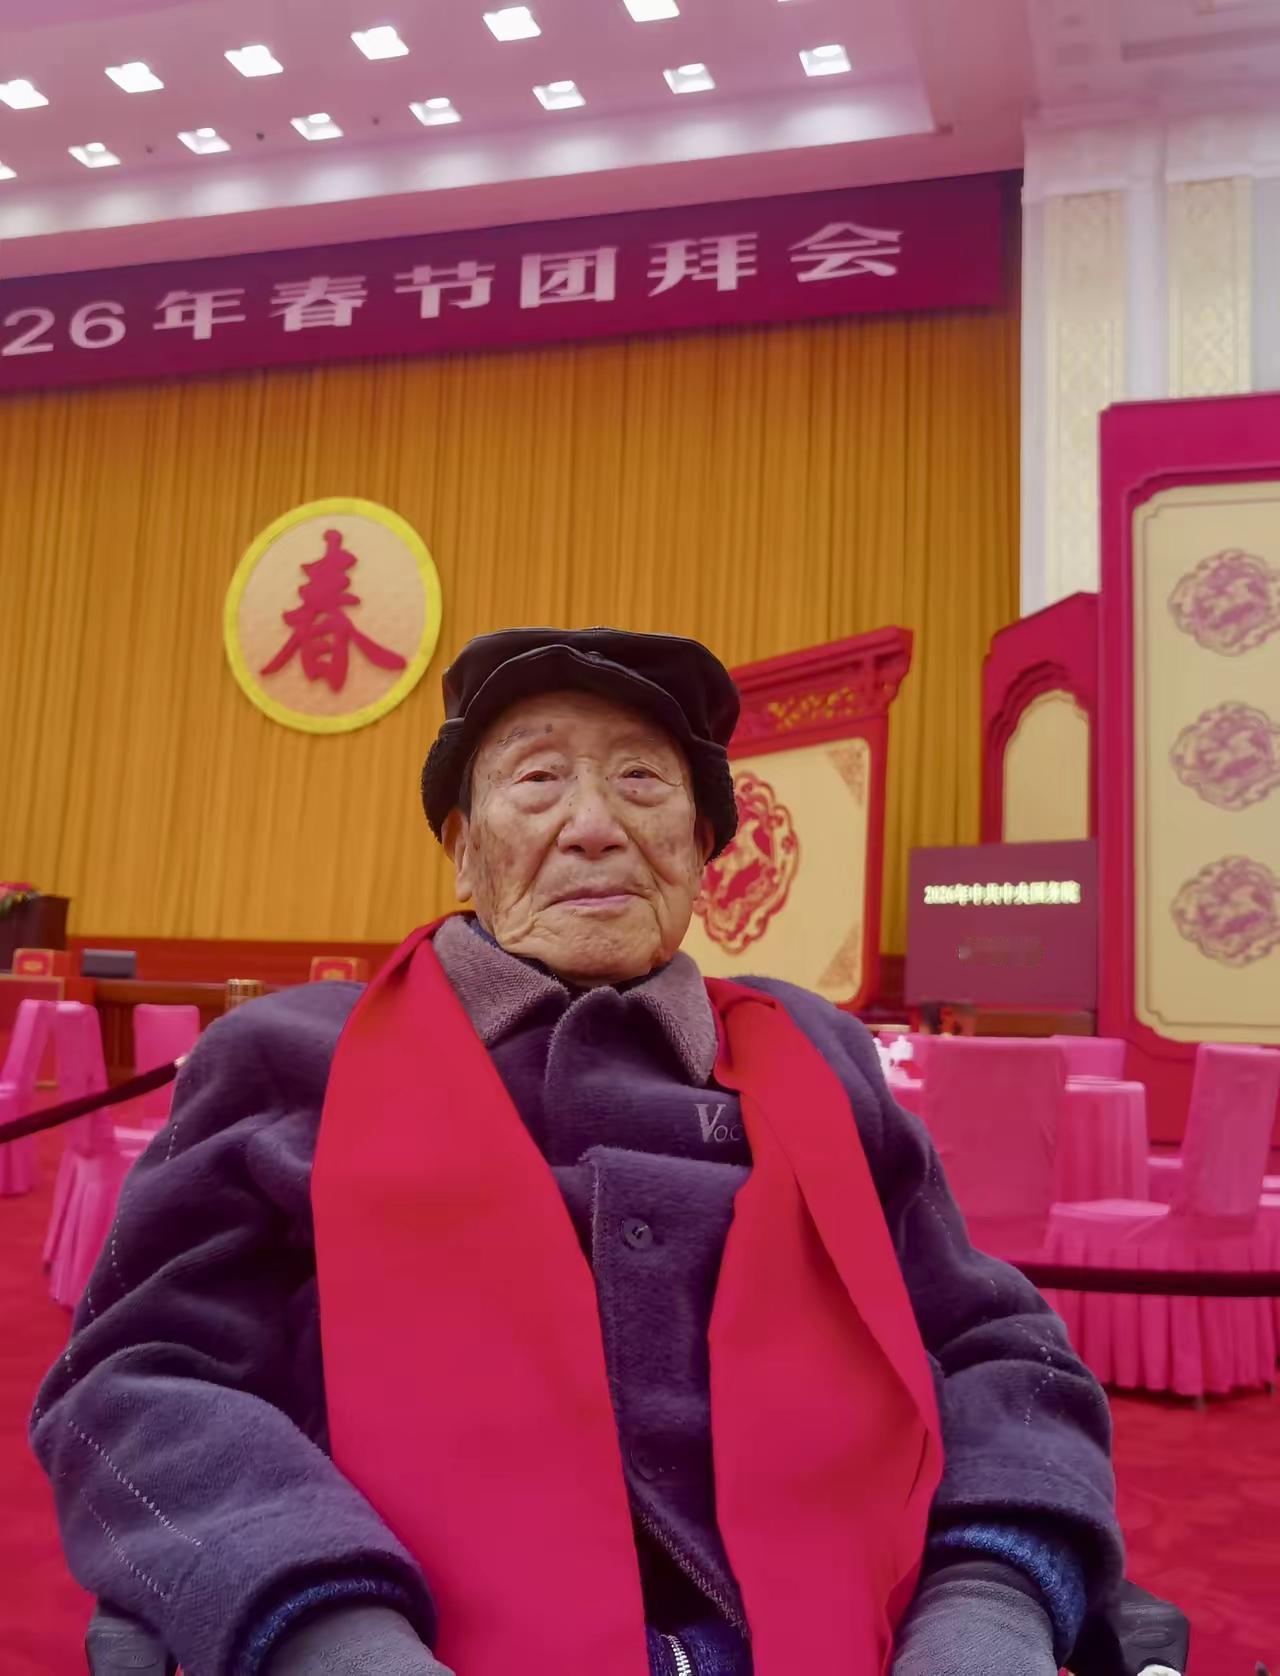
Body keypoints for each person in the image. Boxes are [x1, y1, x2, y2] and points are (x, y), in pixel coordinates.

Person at [33, 628, 1122, 1676]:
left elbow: (991, 1345)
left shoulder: (819, 1058)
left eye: (642, 781)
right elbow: (139, 1379)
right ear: (463, 849)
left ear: (702, 849)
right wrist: (327, 1630)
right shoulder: (292, 1058)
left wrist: (989, 1597)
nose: (593, 825)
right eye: (538, 779)